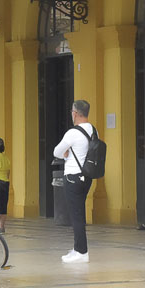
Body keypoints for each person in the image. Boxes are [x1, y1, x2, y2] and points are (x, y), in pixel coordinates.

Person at [53, 99, 95, 264]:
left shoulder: (73, 133)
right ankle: (78, 248)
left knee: (76, 215)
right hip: (86, 176)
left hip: (72, 176)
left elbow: (57, 151)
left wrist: (66, 152)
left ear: (76, 113)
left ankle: (81, 252)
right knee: (79, 212)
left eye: (72, 111)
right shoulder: (93, 130)